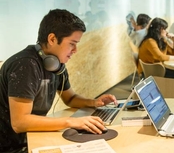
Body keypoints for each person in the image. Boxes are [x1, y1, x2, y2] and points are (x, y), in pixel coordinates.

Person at [0, 9, 118, 153]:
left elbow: (71, 98)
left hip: (32, 138)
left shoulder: (56, 65)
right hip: (11, 147)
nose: (76, 50)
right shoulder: (26, 65)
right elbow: (19, 122)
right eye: (72, 43)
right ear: (52, 39)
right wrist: (71, 121)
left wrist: (94, 103)